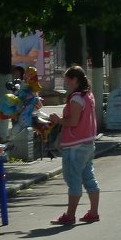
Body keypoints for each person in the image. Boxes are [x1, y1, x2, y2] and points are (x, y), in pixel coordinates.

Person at [49, 65, 100, 225]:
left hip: (75, 144)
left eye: (68, 80)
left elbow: (73, 121)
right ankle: (93, 212)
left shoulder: (76, 98)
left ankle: (70, 215)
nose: (66, 83)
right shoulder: (88, 96)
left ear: (75, 80)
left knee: (73, 179)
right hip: (87, 142)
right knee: (88, 177)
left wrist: (58, 120)